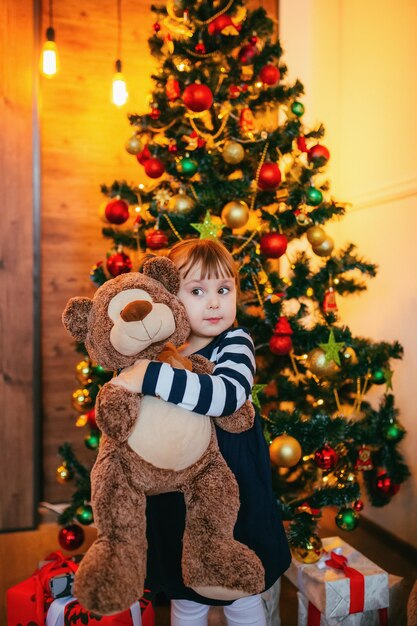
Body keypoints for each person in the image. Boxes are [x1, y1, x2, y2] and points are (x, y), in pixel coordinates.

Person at [113, 238, 291, 626]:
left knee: (240, 593)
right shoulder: (157, 351)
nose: (214, 303)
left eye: (223, 290)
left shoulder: (235, 344)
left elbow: (225, 396)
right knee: (186, 596)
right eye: (197, 291)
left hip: (233, 490)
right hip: (176, 492)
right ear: (169, 299)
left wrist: (151, 377)